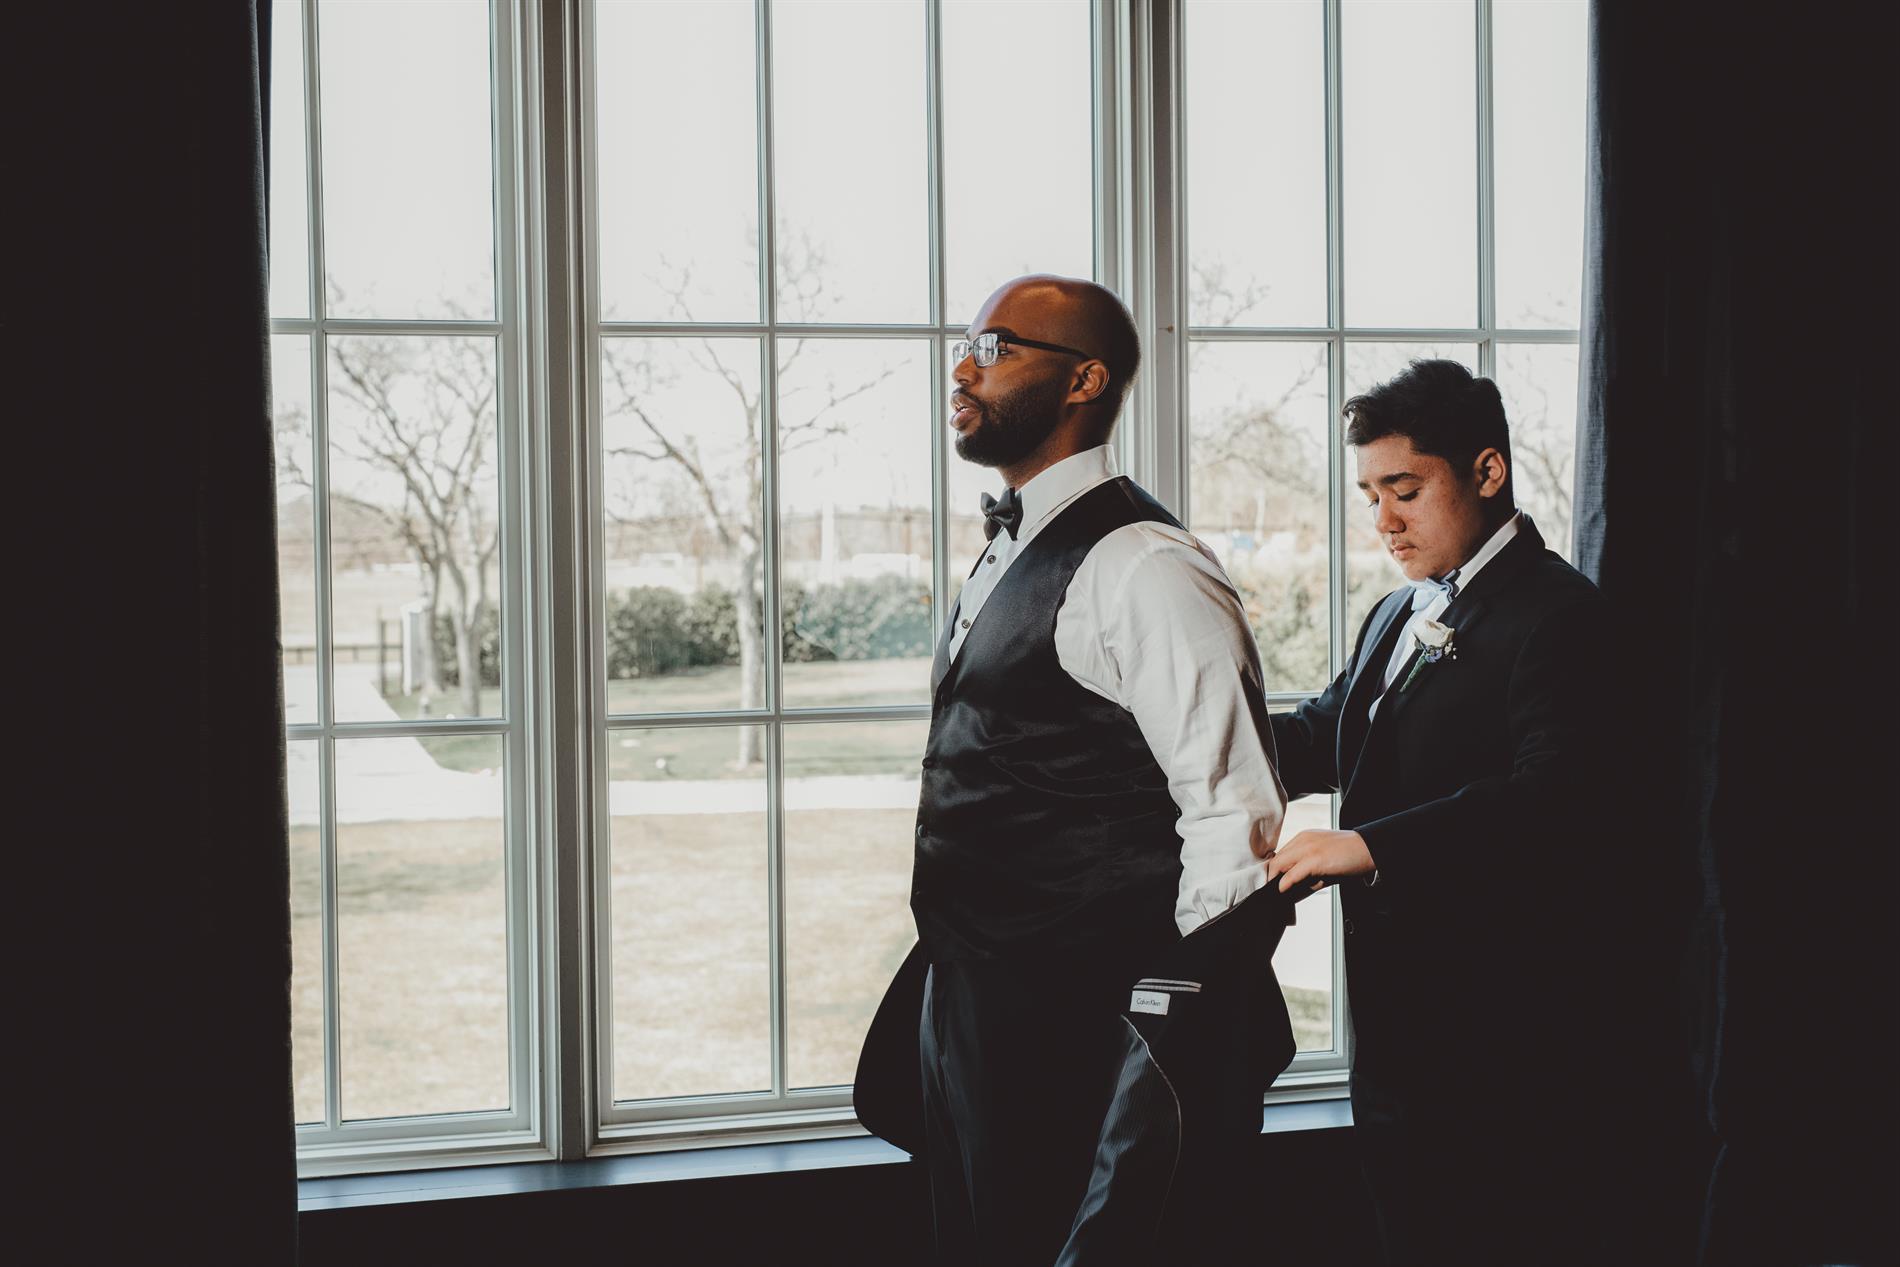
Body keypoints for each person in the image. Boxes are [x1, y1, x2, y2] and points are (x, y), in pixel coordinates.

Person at [855, 275, 1289, 1265]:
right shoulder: (1008, 549)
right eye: (966, 345)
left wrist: (1168, 1050)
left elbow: (1232, 820)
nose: (963, 369)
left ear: (1084, 380)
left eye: (996, 347)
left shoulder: (1146, 565)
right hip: (975, 1001)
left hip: (1091, 1026)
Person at [1262, 359, 1611, 1265]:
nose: (1383, 520)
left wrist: (1366, 845)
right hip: (1394, 1028)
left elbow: (1556, 797)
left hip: (1506, 1032)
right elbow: (1321, 736)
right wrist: (1184, 736)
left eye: (1405, 490)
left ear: (1487, 471)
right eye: (1371, 495)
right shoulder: (1394, 612)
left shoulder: (1563, 614)